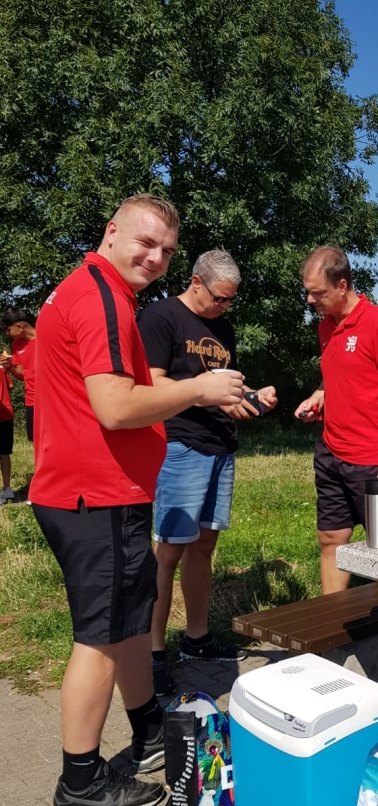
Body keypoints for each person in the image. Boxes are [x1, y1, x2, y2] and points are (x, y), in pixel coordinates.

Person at [29, 195, 245, 806]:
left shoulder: (102, 292)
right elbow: (116, 406)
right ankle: (80, 781)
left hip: (103, 492)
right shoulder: (99, 296)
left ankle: (148, 726)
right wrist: (199, 388)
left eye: (166, 250)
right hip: (91, 494)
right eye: (145, 242)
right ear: (112, 231)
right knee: (99, 639)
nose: (154, 257)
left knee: (126, 623)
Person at [138, 250, 278, 696]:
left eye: (231, 300)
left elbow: (222, 384)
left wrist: (251, 396)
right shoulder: (161, 317)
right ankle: (152, 653)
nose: (224, 306)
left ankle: (196, 639)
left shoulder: (222, 328)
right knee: (169, 551)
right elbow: (150, 383)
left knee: (204, 546)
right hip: (180, 446)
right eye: (219, 298)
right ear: (196, 282)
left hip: (221, 447)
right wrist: (206, 395)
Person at [294, 246, 378, 658]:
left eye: (317, 292)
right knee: (331, 539)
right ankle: (331, 624)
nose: (310, 300)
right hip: (331, 453)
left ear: (342, 285)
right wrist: (319, 397)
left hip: (374, 461)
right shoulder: (326, 327)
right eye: (308, 292)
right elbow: (339, 378)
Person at [2, 307, 37, 451]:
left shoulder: (45, 337)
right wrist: (10, 366)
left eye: (8, 330)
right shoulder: (16, 345)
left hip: (51, 398)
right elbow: (22, 374)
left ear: (19, 326)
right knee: (35, 441)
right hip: (31, 399)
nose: (7, 334)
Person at [0, 354, 14, 502]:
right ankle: (7, 488)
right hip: (6, 414)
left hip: (4, 413)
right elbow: (10, 385)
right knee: (4, 453)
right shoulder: (2, 366)